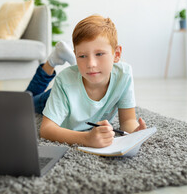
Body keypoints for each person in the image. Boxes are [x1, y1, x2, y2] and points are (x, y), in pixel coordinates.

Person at [26, 15, 146, 148]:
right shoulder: (64, 82)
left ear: (116, 54)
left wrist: (135, 133)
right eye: (82, 56)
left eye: (99, 54)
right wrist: (86, 138)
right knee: (24, 104)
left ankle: (66, 58)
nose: (91, 64)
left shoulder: (124, 75)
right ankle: (52, 61)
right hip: (61, 95)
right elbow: (46, 130)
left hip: (77, 84)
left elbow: (128, 120)